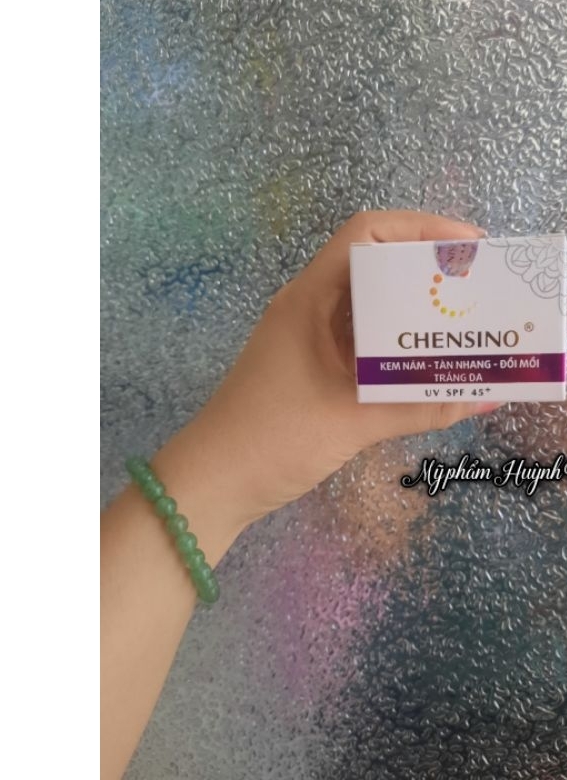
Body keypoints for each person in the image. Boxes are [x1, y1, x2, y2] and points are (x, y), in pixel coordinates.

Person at [101, 210, 500, 779]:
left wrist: (213, 483)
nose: (409, 498)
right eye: (388, 465)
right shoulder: (296, 589)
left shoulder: (427, 573)